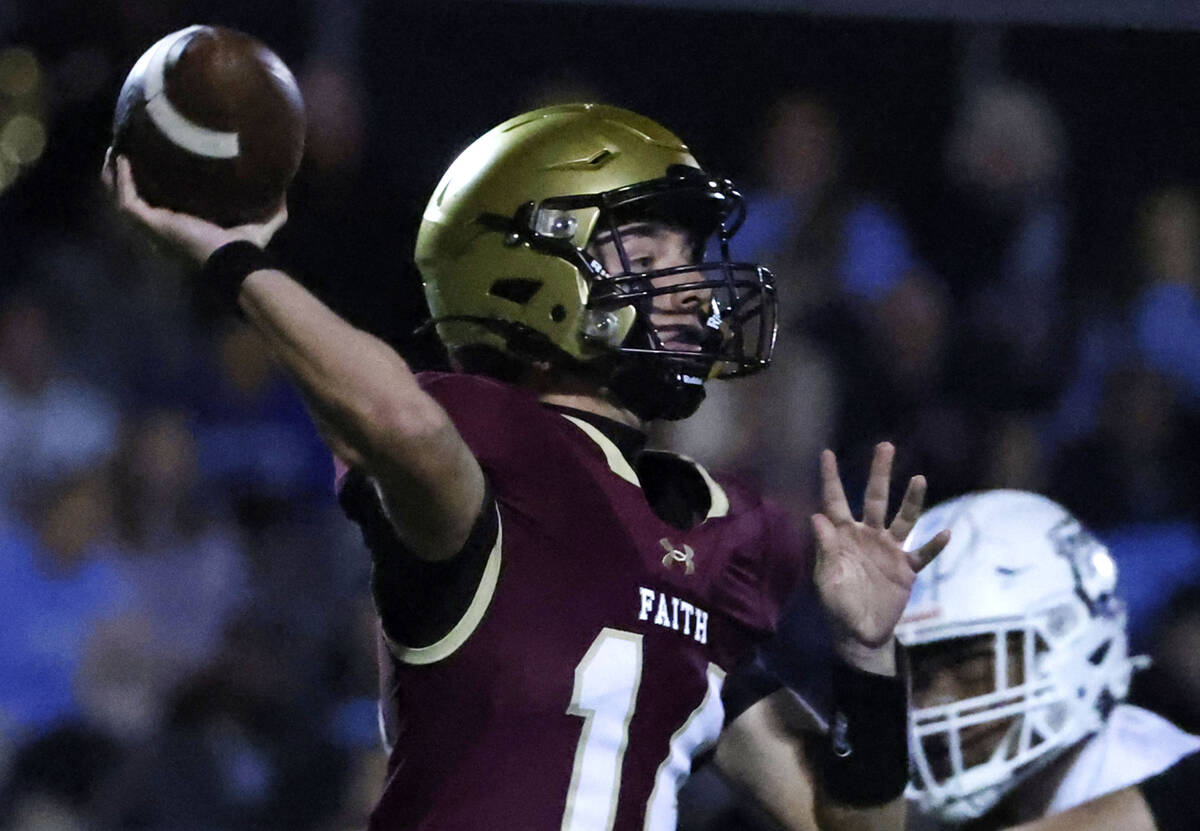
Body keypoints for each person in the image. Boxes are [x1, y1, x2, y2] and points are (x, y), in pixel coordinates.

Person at [105, 102, 948, 830]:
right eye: (648, 255)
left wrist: (867, 657)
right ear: (528, 264)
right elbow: (404, 422)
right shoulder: (491, 474)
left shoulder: (699, 546)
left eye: (690, 259)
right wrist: (237, 258)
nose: (692, 289)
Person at [894, 489, 1200, 830]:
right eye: (918, 674)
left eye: (970, 666)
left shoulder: (1155, 778)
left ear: (1069, 637)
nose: (932, 702)